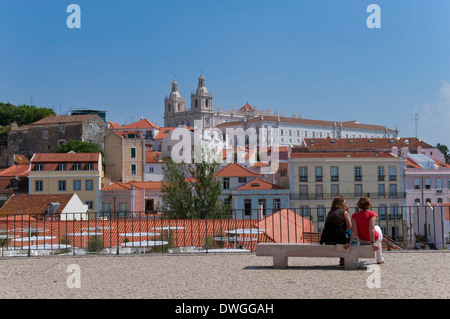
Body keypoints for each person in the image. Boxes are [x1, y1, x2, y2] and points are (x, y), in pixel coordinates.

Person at [344, 196, 384, 264]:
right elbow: (371, 228)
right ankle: (379, 259)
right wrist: (372, 242)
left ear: (359, 205)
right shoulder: (372, 214)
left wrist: (351, 242)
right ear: (369, 204)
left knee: (376, 229)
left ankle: (379, 243)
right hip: (373, 240)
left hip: (363, 240)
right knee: (377, 228)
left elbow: (354, 230)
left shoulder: (354, 215)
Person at [320, 195, 352, 266]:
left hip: (327, 240)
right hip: (338, 240)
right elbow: (349, 227)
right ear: (341, 203)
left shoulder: (330, 212)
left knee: (340, 235)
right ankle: (343, 259)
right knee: (347, 238)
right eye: (345, 203)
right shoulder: (344, 212)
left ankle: (342, 260)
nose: (346, 204)